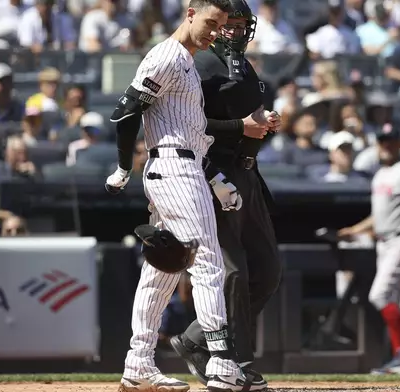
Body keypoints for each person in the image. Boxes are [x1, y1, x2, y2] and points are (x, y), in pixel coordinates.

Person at [103, 0, 276, 389]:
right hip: (174, 169)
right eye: (211, 22)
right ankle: (220, 361)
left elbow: (191, 136)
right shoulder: (166, 56)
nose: (215, 31)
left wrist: (216, 179)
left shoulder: (187, 63)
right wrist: (121, 168)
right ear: (190, 13)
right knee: (209, 263)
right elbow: (126, 110)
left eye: (221, 26)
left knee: (162, 271)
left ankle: (138, 362)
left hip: (185, 164)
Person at [167, 0, 281, 389]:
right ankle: (235, 361)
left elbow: (252, 127)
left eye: (241, 24)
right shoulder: (194, 66)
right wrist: (241, 127)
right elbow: (187, 125)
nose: (234, 31)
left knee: (267, 272)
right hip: (209, 174)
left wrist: (263, 127)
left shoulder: (246, 67)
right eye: (227, 23)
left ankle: (195, 339)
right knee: (232, 273)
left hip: (247, 176)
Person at [337, 123, 400, 374]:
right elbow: (377, 217)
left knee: (378, 295)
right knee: (396, 300)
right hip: (384, 242)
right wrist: (355, 229)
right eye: (383, 141)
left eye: (391, 140)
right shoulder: (379, 175)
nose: (387, 145)